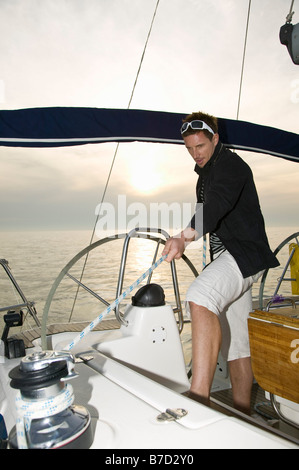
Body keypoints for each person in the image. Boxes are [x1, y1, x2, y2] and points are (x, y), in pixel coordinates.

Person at [162, 111, 279, 415]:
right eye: (189, 148)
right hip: (235, 257)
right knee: (238, 345)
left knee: (199, 297)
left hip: (243, 255)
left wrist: (182, 237)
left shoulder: (231, 166)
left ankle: (199, 397)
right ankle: (243, 413)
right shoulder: (207, 173)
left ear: (215, 138)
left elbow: (215, 207)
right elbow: (212, 214)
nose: (195, 154)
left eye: (200, 146)